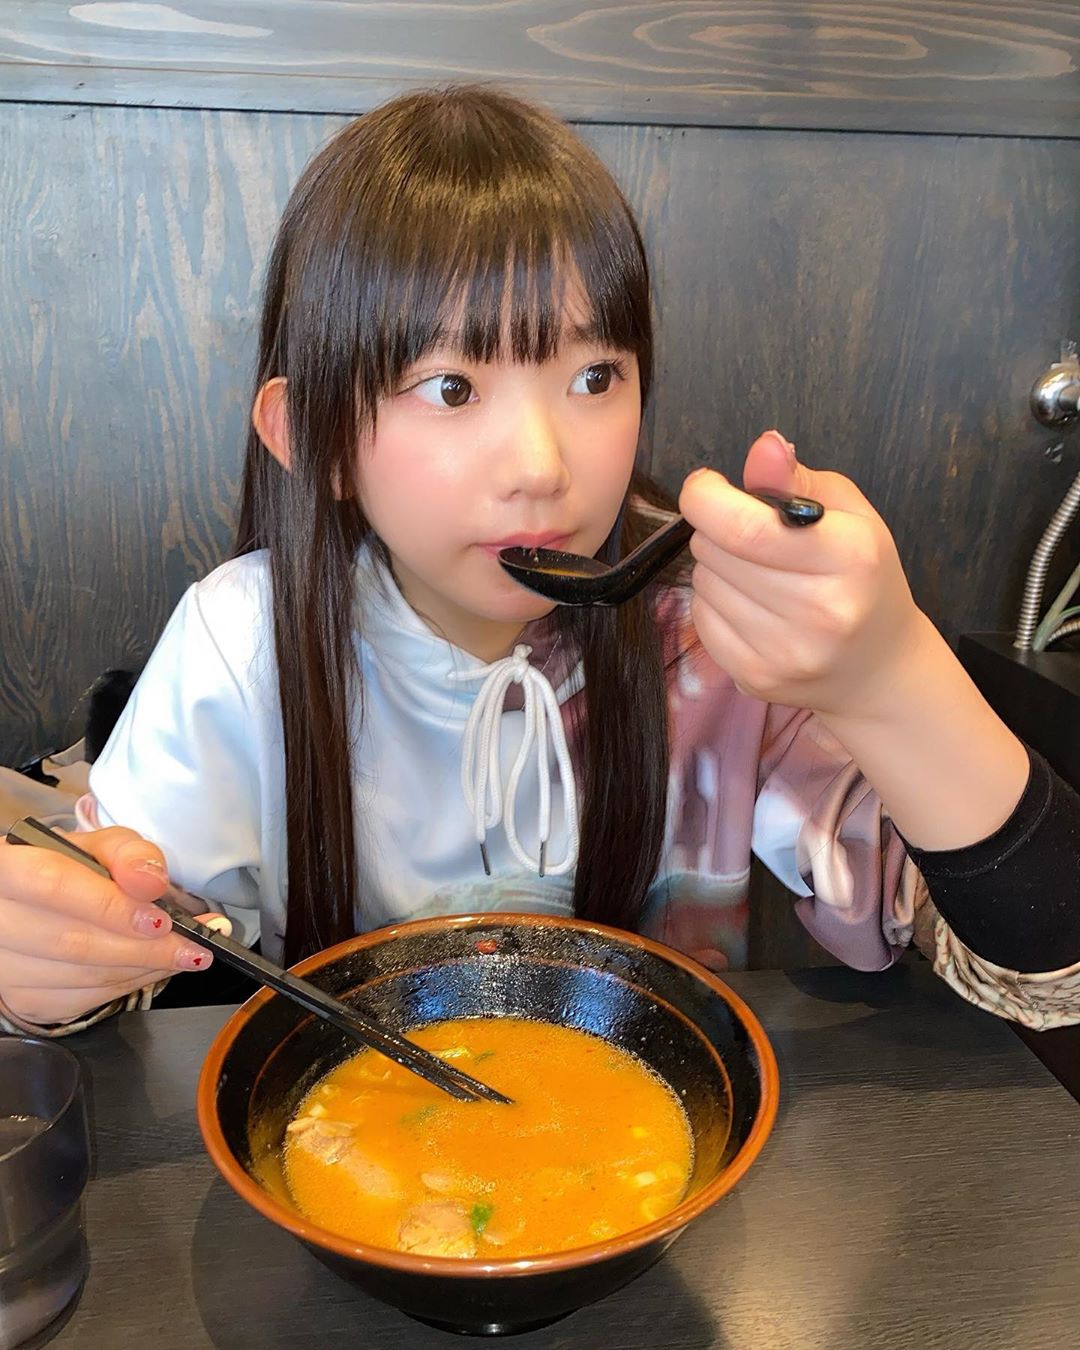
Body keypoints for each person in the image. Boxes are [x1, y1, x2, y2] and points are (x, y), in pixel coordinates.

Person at [1, 85, 1077, 1039]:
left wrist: (890, 674)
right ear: (314, 438)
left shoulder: (714, 638)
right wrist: (53, 969)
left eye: (595, 376)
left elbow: (1047, 974)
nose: (542, 467)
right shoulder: (243, 646)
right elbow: (125, 952)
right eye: (453, 388)